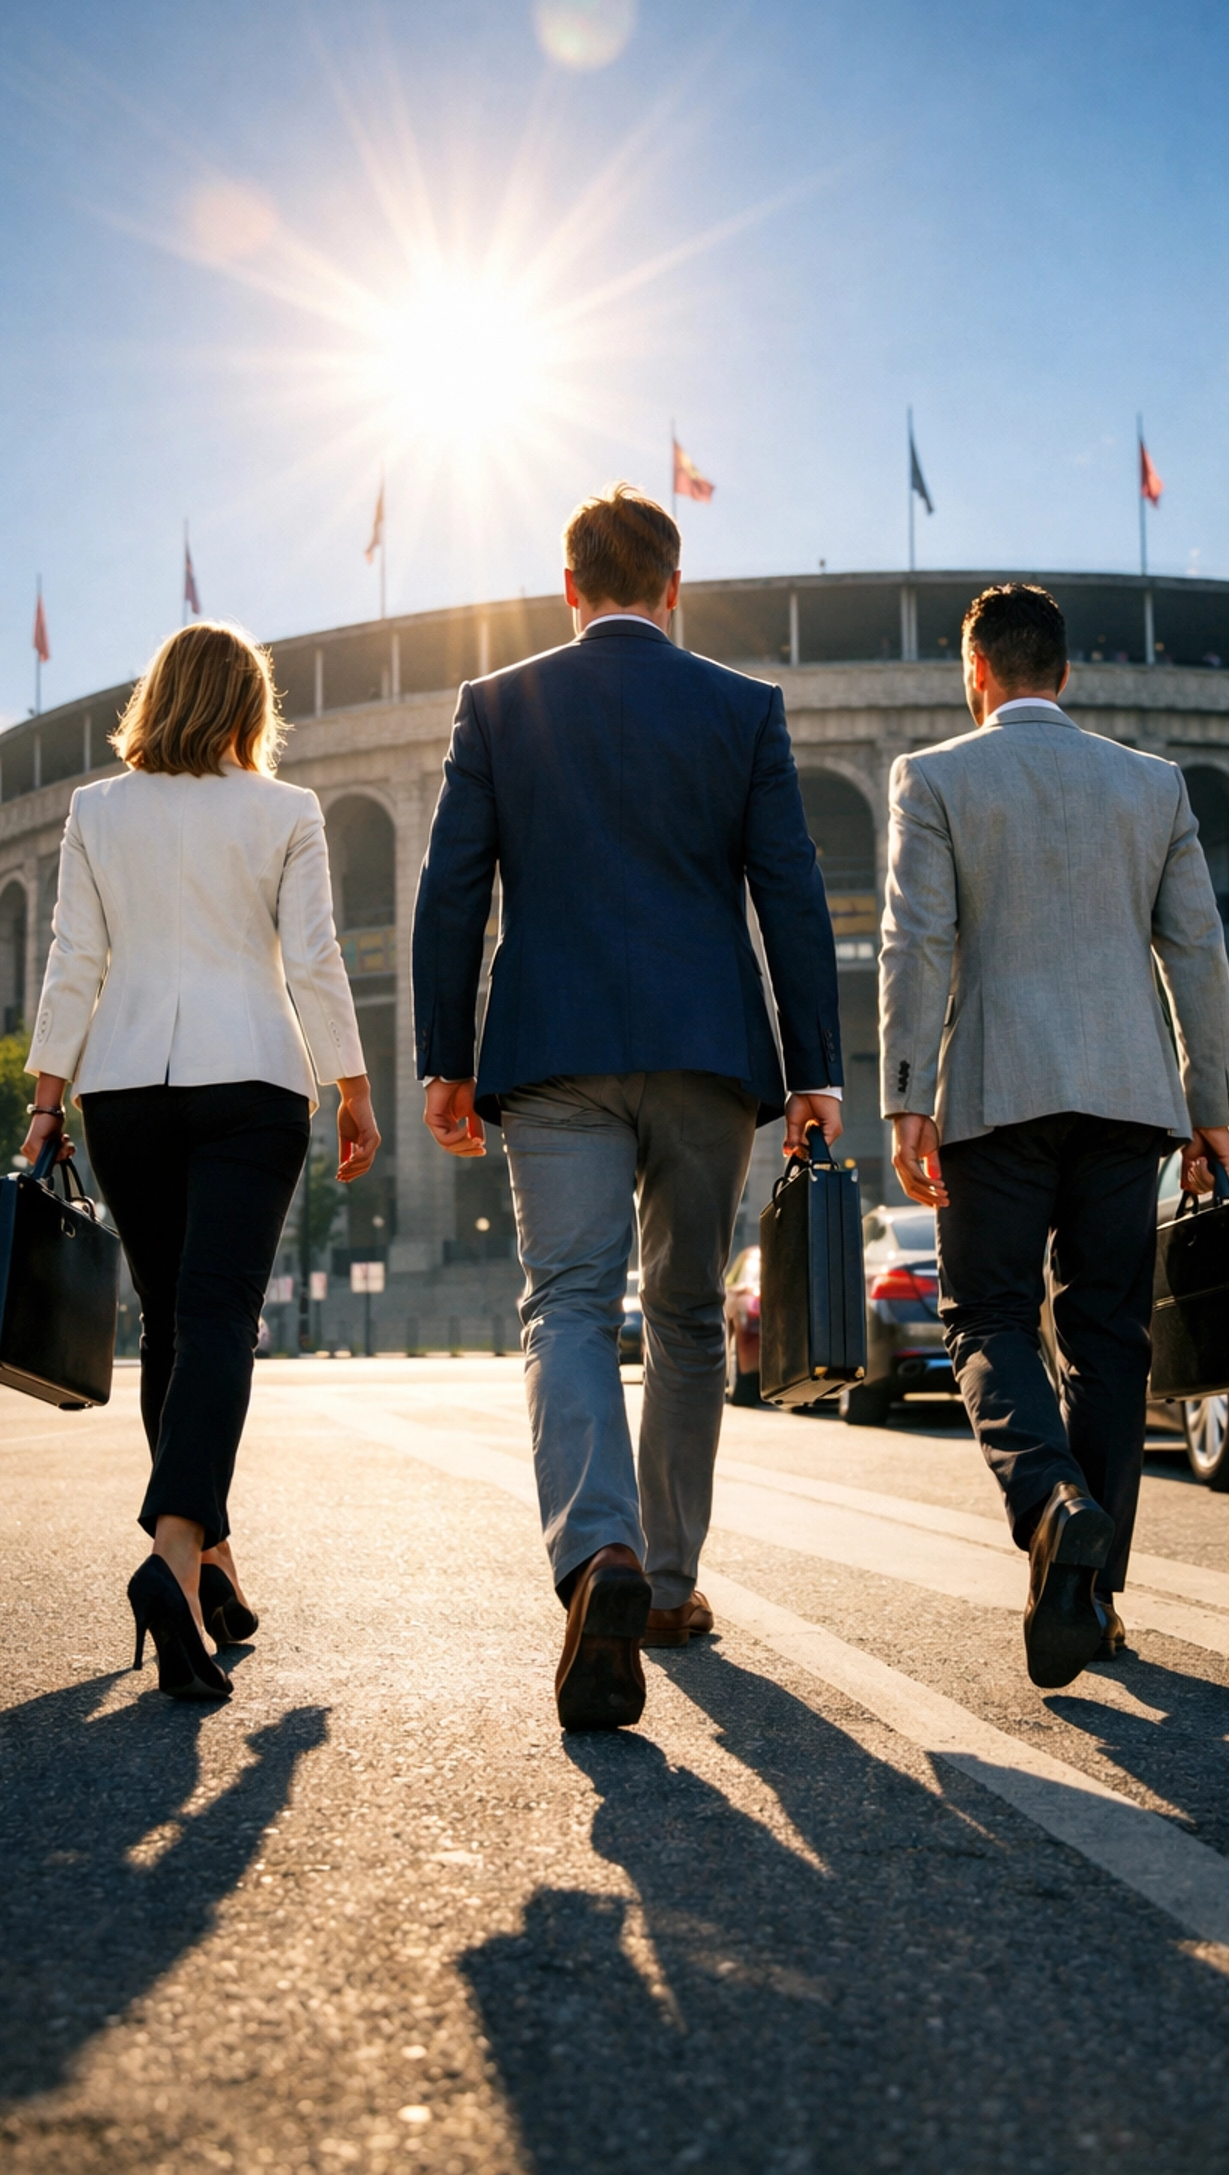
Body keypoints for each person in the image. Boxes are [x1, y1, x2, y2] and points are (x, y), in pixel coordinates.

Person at [412, 483, 843, 1733]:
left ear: (568, 590)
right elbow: (793, 893)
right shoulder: (742, 708)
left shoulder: (497, 706)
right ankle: (664, 1585)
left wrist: (446, 1057)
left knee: (569, 1302)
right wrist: (815, 1071)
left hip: (551, 1051)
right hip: (710, 1052)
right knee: (691, 1314)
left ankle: (594, 1550)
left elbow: (451, 889)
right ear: (673, 589)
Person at [879, 582, 1229, 1689]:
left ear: (974, 673)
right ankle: (1097, 1594)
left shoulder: (936, 776)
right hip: (1130, 1100)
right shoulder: (1154, 786)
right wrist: (1209, 1105)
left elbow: (917, 942)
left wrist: (908, 1094)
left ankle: (1052, 1501)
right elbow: (1198, 955)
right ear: (1065, 675)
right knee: (1110, 1340)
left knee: (985, 1314)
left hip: (996, 1094)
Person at [23, 621, 381, 1702]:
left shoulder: (97, 809)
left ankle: (213, 1564)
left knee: (174, 1321)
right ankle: (174, 1561)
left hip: (123, 1085)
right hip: (252, 1083)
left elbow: (76, 958)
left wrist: (47, 1096)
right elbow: (311, 955)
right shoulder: (285, 811)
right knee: (222, 1316)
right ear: (249, 709)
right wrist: (354, 1085)